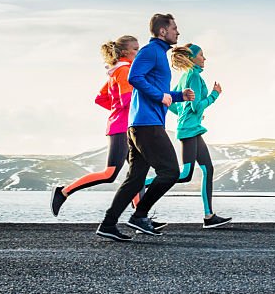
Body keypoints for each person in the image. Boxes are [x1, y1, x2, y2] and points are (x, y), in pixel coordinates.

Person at [96, 13, 195, 241]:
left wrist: (179, 96)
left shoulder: (159, 53)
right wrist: (161, 95)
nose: (177, 33)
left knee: (136, 179)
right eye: (174, 28)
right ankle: (139, 216)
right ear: (162, 31)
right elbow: (134, 78)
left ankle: (108, 224)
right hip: (146, 125)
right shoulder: (150, 52)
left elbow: (152, 87)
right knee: (170, 172)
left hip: (143, 124)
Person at [50, 35, 139, 217]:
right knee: (110, 173)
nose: (139, 53)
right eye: (136, 49)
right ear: (124, 52)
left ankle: (140, 215)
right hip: (121, 128)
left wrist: (116, 109)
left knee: (137, 173)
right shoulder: (124, 71)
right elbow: (127, 99)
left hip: (125, 126)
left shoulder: (117, 71)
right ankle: (63, 191)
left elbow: (101, 98)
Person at [167, 43, 232, 228]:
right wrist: (214, 94)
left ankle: (209, 216)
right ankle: (139, 185)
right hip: (189, 131)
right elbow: (196, 105)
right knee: (185, 174)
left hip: (192, 129)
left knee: (207, 169)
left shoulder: (184, 77)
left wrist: (189, 115)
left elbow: (173, 104)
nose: (205, 59)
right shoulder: (194, 76)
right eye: (202, 55)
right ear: (192, 58)